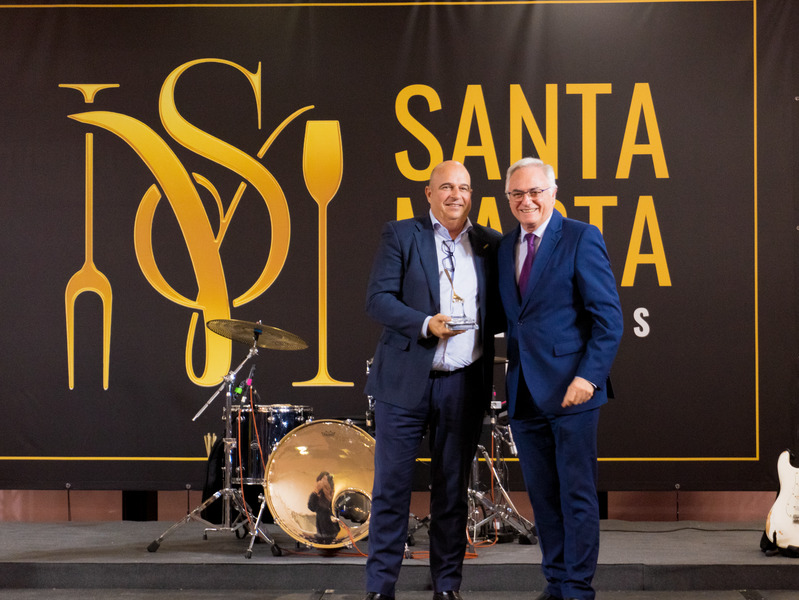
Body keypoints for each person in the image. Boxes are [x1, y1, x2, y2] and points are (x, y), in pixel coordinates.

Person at [363, 160, 502, 600]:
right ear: (428, 193)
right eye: (446, 187)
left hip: (463, 384)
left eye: (464, 188)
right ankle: (380, 588)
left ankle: (447, 587)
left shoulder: (490, 244)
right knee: (391, 490)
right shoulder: (401, 235)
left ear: (472, 195)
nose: (455, 195)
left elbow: (502, 310)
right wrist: (425, 323)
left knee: (452, 493)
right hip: (404, 383)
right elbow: (378, 299)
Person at [497, 158, 623, 600]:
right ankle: (556, 581)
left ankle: (578, 588)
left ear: (553, 192)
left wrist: (589, 377)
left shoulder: (581, 237)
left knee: (577, 496)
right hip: (524, 394)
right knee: (544, 498)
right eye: (517, 193)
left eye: (535, 191)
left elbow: (609, 320)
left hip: (574, 392)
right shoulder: (504, 247)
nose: (526, 200)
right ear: (508, 198)